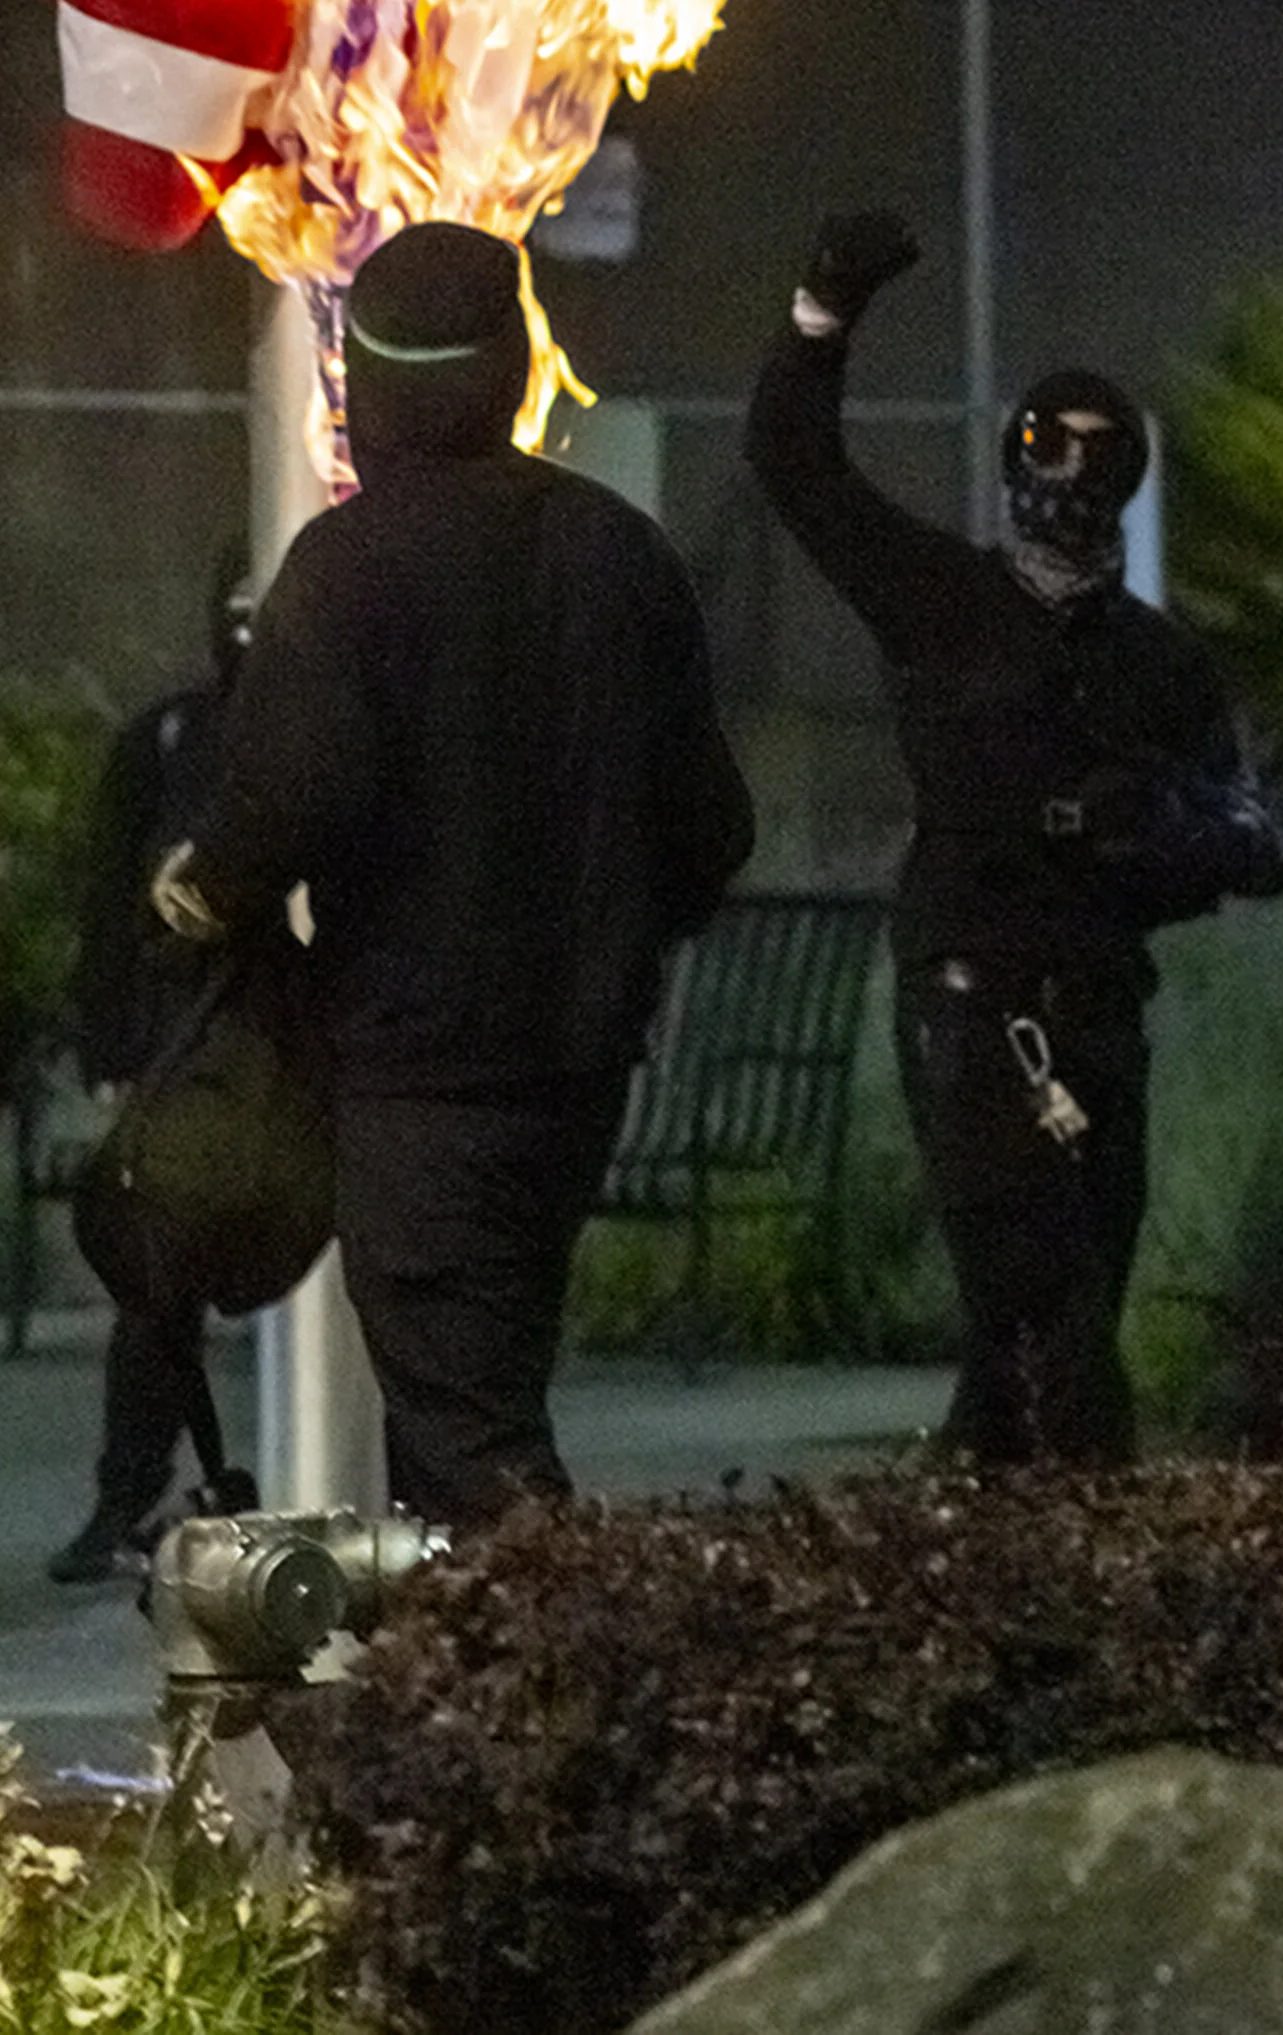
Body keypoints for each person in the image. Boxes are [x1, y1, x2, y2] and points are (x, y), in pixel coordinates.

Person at [159, 220, 756, 1530]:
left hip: (424, 1068)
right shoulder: (622, 554)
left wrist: (202, 886)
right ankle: (453, 1693)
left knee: (469, 1427)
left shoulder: (349, 567)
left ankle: (551, 1676)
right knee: (484, 1384)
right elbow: (711, 827)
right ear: (514, 368)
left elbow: (290, 798)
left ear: (359, 384)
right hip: (580, 1066)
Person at [745, 207, 1283, 1464]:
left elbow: (1253, 833)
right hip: (973, 1007)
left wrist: (1156, 833)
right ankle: (1081, 1558)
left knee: (1048, 1320)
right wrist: (822, 313)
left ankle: (971, 1555)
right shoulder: (941, 601)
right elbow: (795, 464)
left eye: (1096, 454)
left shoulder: (1159, 664)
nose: (1069, 477)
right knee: (1050, 1317)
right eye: (1051, 447)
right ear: (1012, 462)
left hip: (1098, 1013)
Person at [46, 549, 263, 1585]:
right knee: (154, 1272)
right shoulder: (170, 743)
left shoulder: (318, 735)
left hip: (305, 1062)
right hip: (196, 1063)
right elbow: (106, 912)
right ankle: (128, 1491)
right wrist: (113, 1047)